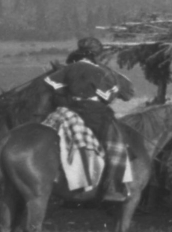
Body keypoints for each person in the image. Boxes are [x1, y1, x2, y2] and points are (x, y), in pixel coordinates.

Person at [41, 36, 135, 198]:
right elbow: (108, 96)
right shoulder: (100, 71)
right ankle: (113, 187)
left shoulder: (68, 69)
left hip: (69, 109)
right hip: (94, 112)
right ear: (95, 55)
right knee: (116, 142)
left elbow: (53, 86)